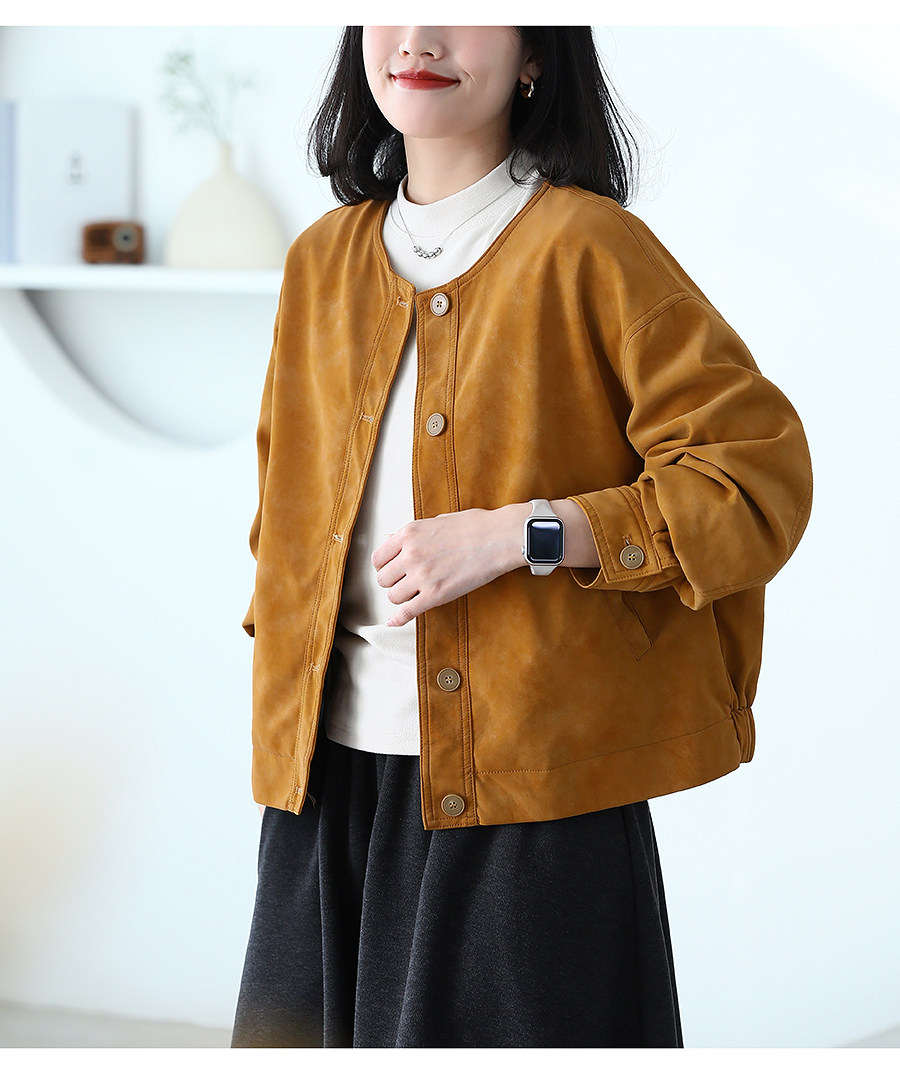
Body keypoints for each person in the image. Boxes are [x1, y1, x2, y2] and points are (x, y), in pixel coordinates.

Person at [230, 26, 812, 1049]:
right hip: (325, 788)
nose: (419, 36)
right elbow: (281, 513)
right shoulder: (321, 262)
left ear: (537, 53)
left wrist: (525, 534)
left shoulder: (590, 248)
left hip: (531, 804)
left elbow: (750, 481)